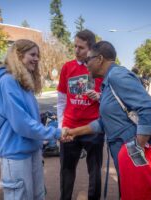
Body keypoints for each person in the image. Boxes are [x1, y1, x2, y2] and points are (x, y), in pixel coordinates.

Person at [64, 41, 151, 199]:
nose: (86, 65)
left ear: (99, 59)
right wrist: (74, 132)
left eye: (88, 60)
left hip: (139, 151)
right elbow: (104, 122)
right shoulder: (108, 82)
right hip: (129, 152)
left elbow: (149, 108)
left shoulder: (117, 76)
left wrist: (135, 150)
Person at [0, 39, 67, 200]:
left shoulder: (23, 83)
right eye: (32, 54)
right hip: (15, 153)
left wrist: (42, 138)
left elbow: (28, 121)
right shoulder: (8, 82)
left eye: (37, 55)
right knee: (20, 196)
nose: (37, 59)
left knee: (38, 195)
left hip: (32, 150)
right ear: (18, 55)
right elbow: (22, 124)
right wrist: (55, 133)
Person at [57, 29, 104, 200]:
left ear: (91, 48)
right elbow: (61, 99)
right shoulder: (67, 67)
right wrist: (60, 126)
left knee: (95, 171)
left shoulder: (100, 69)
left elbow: (110, 98)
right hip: (69, 127)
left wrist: (99, 97)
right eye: (75, 46)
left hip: (93, 128)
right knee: (66, 170)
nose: (76, 50)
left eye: (81, 47)